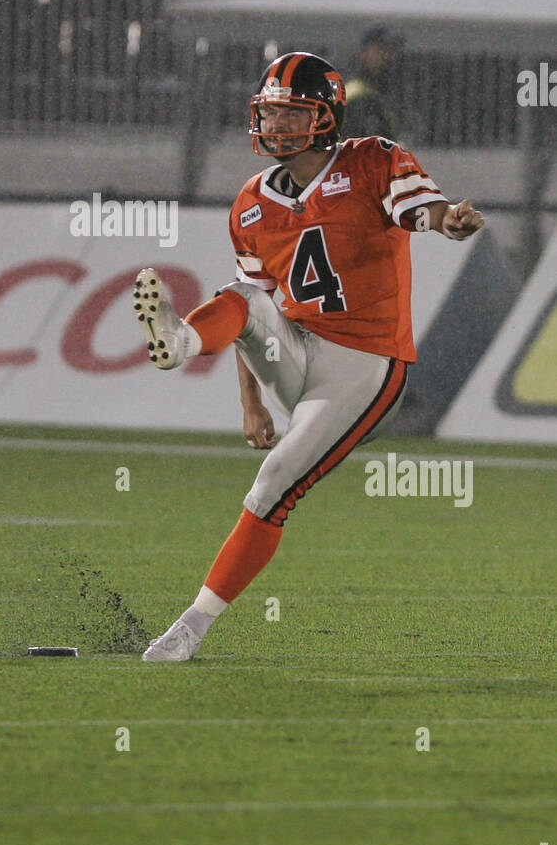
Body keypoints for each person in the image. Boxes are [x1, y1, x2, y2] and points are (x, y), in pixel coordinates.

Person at [133, 52, 484, 661]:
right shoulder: (249, 203)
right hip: (295, 352)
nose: (276, 126)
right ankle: (182, 343)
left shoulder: (373, 159)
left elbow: (418, 209)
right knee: (243, 294)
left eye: (292, 113)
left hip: (365, 365)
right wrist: (251, 406)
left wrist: (447, 222)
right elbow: (251, 314)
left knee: (271, 488)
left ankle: (188, 629)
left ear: (326, 116)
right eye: (270, 113)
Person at [342, 27, 401, 140]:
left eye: (392, 50)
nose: (387, 56)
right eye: (380, 49)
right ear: (363, 54)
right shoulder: (356, 96)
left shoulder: (380, 95)